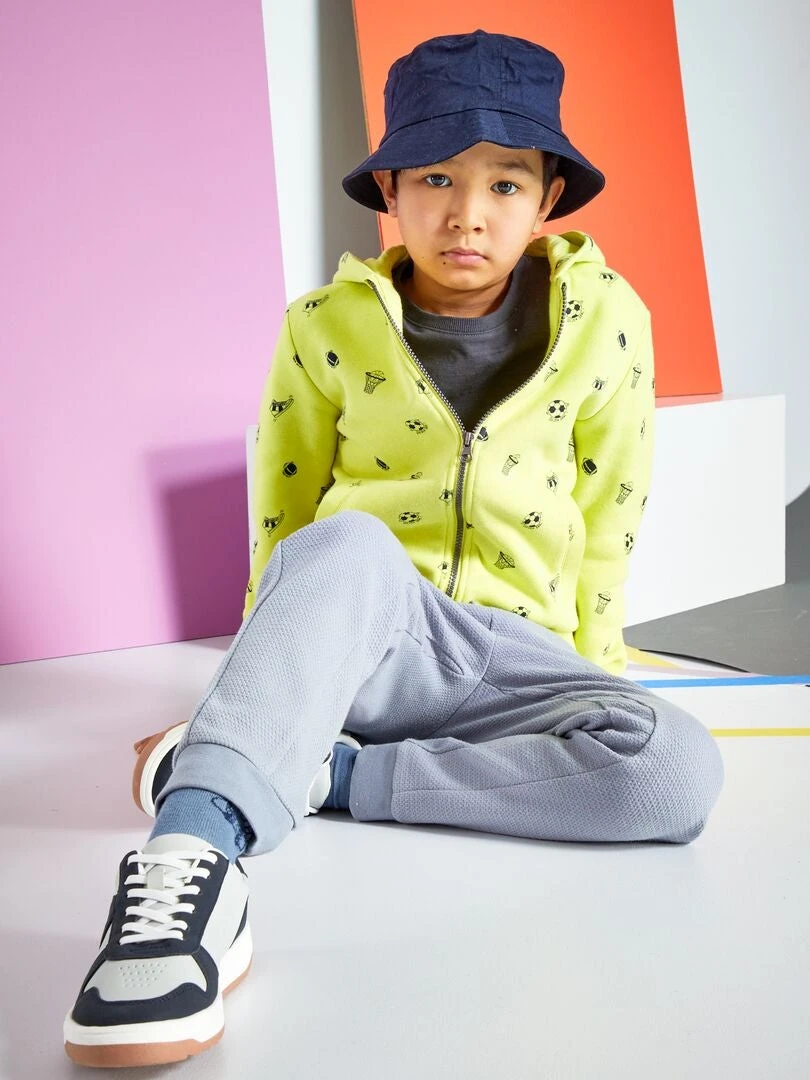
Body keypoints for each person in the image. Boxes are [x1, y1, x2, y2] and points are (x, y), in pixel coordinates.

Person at [63, 29, 724, 1069]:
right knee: (347, 540)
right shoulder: (324, 326)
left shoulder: (610, 322)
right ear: (389, 190)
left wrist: (596, 668)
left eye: (505, 182)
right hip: (376, 634)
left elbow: (611, 507)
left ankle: (330, 776)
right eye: (435, 178)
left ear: (548, 197)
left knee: (676, 772)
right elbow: (285, 513)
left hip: (517, 659)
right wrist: (261, 676)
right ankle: (193, 857)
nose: (468, 214)